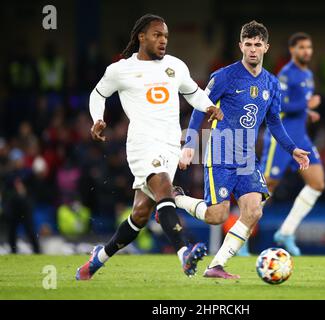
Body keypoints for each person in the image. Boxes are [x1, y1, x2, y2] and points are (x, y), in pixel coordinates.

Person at [76, 14, 223, 280]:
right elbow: (98, 94)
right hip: (143, 143)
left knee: (140, 214)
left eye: (165, 35)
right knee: (164, 189)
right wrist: (98, 119)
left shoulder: (175, 66)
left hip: (170, 144)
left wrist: (209, 106)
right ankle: (184, 253)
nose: (163, 40)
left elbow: (192, 92)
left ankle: (96, 260)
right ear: (141, 37)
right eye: (157, 34)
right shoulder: (120, 70)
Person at [175, 21, 310, 279]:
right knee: (217, 215)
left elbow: (274, 122)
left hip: (247, 157)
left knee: (254, 210)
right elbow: (199, 106)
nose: (252, 49)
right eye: (247, 44)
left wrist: (292, 149)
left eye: (257, 44)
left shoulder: (271, 84)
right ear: (240, 46)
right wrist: (190, 145)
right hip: (221, 152)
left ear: (266, 47)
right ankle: (176, 197)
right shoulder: (224, 76)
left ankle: (216, 265)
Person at [260, 32, 325, 256]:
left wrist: (307, 111)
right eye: (301, 47)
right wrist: (306, 103)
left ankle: (286, 232)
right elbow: (280, 106)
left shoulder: (307, 74)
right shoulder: (286, 75)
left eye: (309, 47)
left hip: (301, 137)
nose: (306, 51)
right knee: (266, 187)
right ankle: (238, 237)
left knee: (317, 183)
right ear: (292, 50)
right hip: (281, 138)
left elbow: (297, 106)